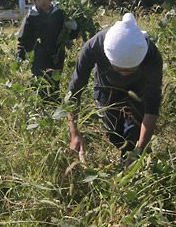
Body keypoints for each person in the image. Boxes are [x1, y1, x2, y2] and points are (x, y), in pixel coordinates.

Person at [67, 13, 163, 162]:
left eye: (130, 70)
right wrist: (74, 133)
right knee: (113, 132)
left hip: (138, 89)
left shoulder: (152, 56)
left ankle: (130, 163)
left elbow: (152, 106)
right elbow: (74, 91)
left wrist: (139, 149)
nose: (124, 75)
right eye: (119, 69)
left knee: (133, 133)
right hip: (106, 87)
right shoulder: (93, 47)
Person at [16, 0, 77, 103]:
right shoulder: (31, 16)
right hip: (39, 53)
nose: (42, 1)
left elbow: (69, 33)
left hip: (57, 53)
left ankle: (54, 102)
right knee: (40, 80)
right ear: (34, 1)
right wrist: (20, 52)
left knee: (55, 79)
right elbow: (24, 38)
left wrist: (75, 27)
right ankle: (41, 105)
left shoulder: (59, 13)